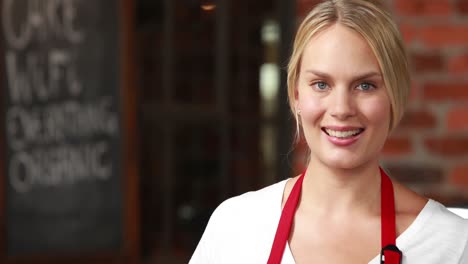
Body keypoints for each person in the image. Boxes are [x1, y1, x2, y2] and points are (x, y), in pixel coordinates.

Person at [189, 0, 468, 263]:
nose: (341, 108)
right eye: (321, 84)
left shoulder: (452, 243)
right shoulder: (236, 225)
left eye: (365, 85)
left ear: (394, 96)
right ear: (296, 95)